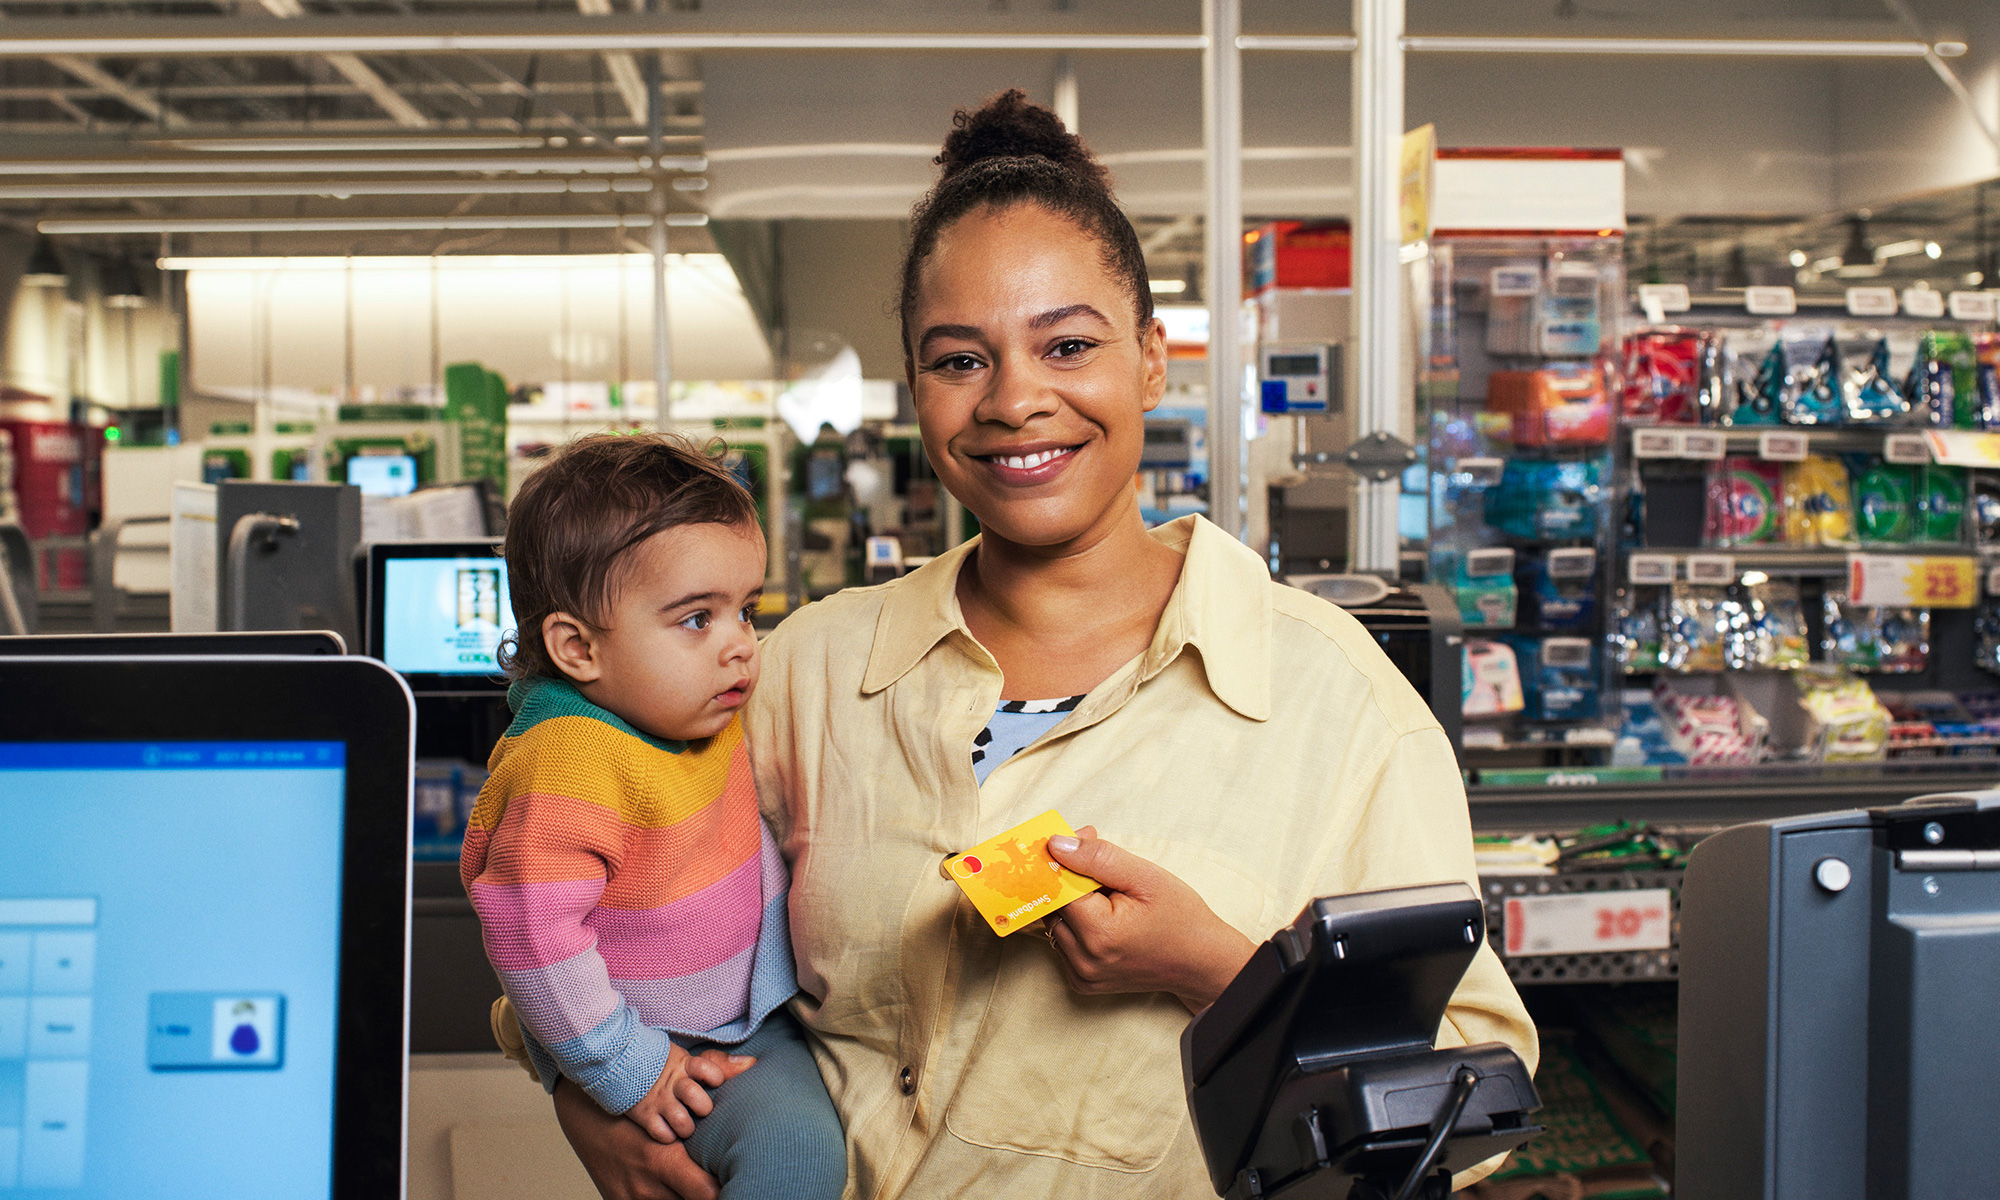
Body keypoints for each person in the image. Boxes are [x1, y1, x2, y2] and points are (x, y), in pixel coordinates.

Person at [541, 90, 1536, 1200]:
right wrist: (586, 1091)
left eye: (1066, 344)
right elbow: (583, 888)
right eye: (959, 360)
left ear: (1151, 362)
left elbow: (1472, 1098)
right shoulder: (805, 672)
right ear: (915, 385)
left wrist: (1222, 970)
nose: (1015, 401)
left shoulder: (1333, 699)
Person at [461, 433, 844, 1200]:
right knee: (796, 1157)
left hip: (735, 1013)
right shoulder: (568, 759)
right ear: (576, 647)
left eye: (747, 610)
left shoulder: (681, 705)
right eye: (697, 619)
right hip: (659, 1040)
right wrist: (626, 1070)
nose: (742, 645)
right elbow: (533, 939)